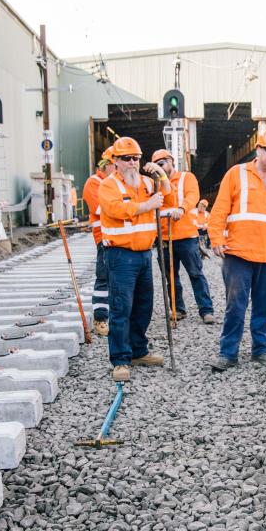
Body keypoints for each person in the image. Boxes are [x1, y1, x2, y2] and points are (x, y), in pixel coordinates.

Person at [209, 130, 266, 371]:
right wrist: (216, 237)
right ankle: (228, 353)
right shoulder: (237, 174)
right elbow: (220, 210)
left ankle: (260, 349)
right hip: (238, 252)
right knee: (236, 305)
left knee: (264, 306)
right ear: (259, 150)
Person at [98, 137, 173, 382]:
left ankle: (138, 351)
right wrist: (147, 205)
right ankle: (120, 359)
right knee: (121, 308)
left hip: (143, 254)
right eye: (127, 159)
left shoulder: (145, 182)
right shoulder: (108, 185)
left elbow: (167, 196)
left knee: (143, 306)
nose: (132, 163)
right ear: (115, 161)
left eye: (136, 158)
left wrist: (161, 174)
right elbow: (116, 210)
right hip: (120, 255)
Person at [144, 150, 215, 324]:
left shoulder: (187, 178)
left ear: (171, 162)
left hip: (187, 235)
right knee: (170, 277)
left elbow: (193, 196)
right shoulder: (156, 183)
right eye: (156, 166)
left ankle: (206, 310)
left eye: (161, 164)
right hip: (165, 238)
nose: (159, 169)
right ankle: (178, 309)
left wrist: (182, 209)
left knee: (196, 273)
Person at [82, 146, 115, 336]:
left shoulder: (116, 183)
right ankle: (100, 318)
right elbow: (101, 210)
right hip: (104, 238)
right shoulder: (94, 183)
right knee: (103, 278)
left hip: (119, 238)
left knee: (117, 279)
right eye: (115, 165)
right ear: (107, 165)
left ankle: (116, 316)